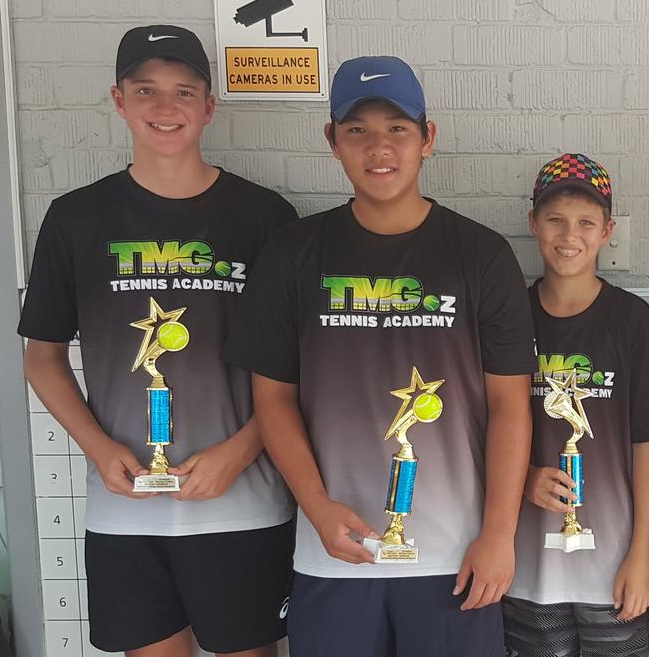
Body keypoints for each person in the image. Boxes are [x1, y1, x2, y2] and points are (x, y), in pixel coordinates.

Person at [223, 55, 536, 657]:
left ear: (428, 137)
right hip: (334, 552)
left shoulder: (481, 254)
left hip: (456, 556)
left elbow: (509, 405)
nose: (379, 147)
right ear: (332, 141)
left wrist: (499, 533)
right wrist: (315, 506)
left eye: (397, 128)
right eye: (357, 129)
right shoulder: (294, 253)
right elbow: (273, 398)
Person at [19, 25, 297, 657]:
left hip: (244, 504)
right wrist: (97, 449)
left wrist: (241, 450)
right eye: (146, 89)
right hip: (124, 513)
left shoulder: (264, 217)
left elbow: (299, 366)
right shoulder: (75, 218)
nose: (164, 107)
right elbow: (42, 356)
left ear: (208, 106)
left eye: (183, 91)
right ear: (118, 100)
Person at [503, 154, 649, 657]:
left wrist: (642, 554)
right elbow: (484, 425)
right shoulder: (508, 315)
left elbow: (645, 444)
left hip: (612, 568)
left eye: (585, 222)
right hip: (527, 570)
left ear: (607, 231)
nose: (568, 234)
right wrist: (523, 478)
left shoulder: (631, 319)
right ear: (533, 223)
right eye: (554, 219)